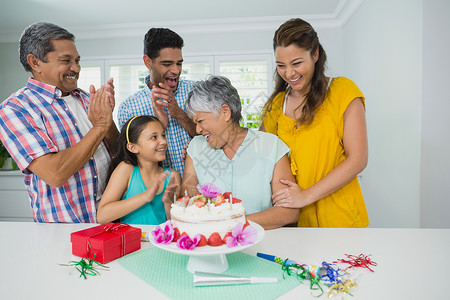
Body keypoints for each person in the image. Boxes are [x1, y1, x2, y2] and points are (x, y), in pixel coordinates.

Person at [0, 22, 118, 223]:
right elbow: (55, 173)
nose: (76, 68)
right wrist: (99, 127)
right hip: (65, 229)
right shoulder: (15, 109)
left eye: (77, 60)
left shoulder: (87, 99)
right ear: (35, 63)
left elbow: (115, 149)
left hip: (112, 220)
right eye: (66, 60)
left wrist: (107, 121)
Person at [260, 18, 369, 227]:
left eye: (297, 63)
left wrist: (306, 196)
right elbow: (260, 152)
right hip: (294, 223)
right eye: (281, 66)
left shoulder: (343, 91)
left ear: (316, 54)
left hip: (341, 219)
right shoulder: (277, 105)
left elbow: (358, 159)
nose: (289, 73)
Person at [182, 75, 299, 230]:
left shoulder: (271, 146)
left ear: (225, 112)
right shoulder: (196, 148)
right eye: (195, 123)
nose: (197, 130)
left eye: (200, 121)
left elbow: (288, 212)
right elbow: (188, 199)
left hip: (262, 244)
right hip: (212, 246)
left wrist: (233, 223)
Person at [117, 28, 196, 176]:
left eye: (179, 63)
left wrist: (179, 114)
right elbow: (133, 160)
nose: (176, 70)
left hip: (200, 186)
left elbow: (212, 137)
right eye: (167, 64)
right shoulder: (129, 108)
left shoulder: (196, 91)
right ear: (148, 62)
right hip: (159, 191)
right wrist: (160, 126)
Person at [96, 116, 180, 225]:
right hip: (132, 241)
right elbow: (102, 216)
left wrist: (168, 204)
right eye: (154, 137)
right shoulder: (126, 169)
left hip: (160, 241)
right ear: (133, 147)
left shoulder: (173, 176)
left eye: (163, 135)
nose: (163, 141)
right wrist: (146, 196)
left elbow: (174, 224)